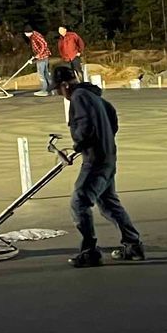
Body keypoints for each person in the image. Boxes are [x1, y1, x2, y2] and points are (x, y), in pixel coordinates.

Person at [55, 63, 143, 267]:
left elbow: (85, 125)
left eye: (59, 90)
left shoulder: (78, 97)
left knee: (79, 202)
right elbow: (113, 117)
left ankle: (90, 251)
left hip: (95, 160)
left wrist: (80, 144)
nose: (60, 95)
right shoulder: (95, 96)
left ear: (65, 85)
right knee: (109, 203)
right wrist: (104, 140)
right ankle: (133, 245)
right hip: (108, 156)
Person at [25, 29, 53, 95]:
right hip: (42, 56)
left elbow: (44, 44)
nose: (25, 35)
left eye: (25, 33)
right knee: (46, 74)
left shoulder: (36, 36)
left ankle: (44, 90)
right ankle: (51, 89)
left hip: (42, 57)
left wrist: (39, 54)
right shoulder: (33, 36)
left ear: (29, 32)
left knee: (41, 74)